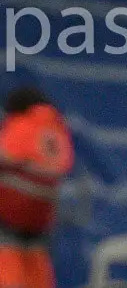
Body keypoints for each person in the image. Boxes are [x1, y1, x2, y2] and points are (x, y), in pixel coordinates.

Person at [0, 87, 74, 288]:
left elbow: (6, 154)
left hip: (10, 217)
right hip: (41, 221)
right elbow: (65, 164)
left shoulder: (23, 125)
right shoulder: (58, 128)